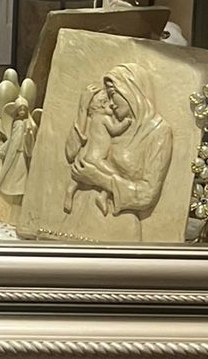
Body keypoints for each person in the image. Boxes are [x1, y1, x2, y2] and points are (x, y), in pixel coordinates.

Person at [63, 63, 173, 239]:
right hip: (79, 217)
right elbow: (70, 153)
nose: (111, 104)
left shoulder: (158, 132)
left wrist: (99, 179)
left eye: (113, 95)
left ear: (131, 92)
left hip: (117, 226)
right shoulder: (106, 120)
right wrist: (82, 110)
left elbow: (147, 194)